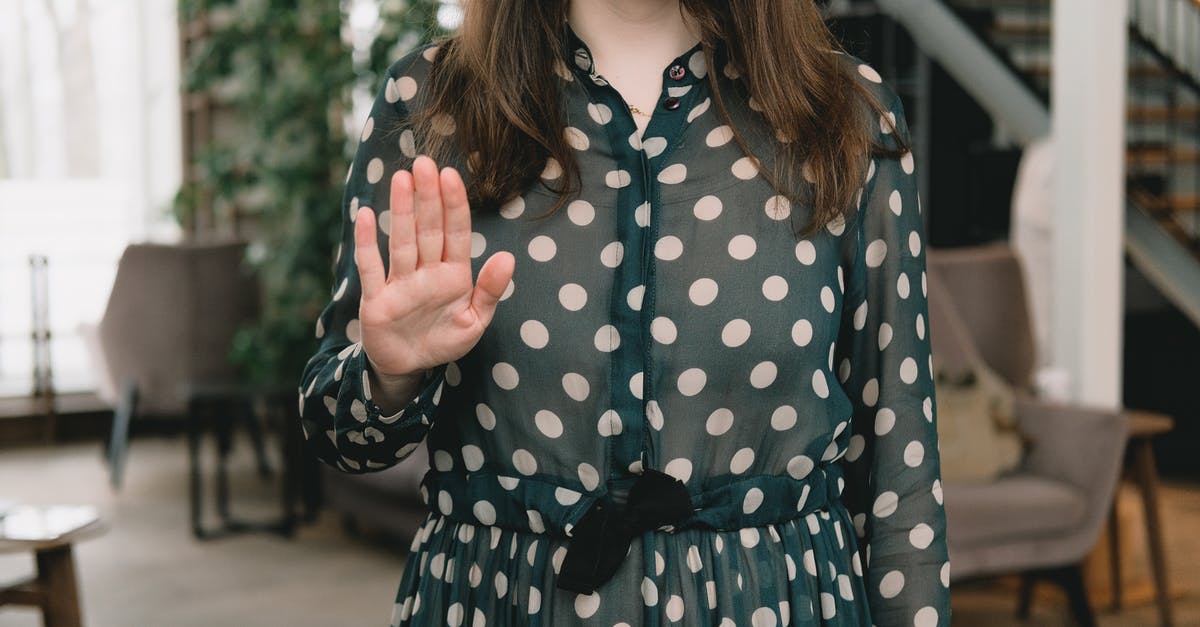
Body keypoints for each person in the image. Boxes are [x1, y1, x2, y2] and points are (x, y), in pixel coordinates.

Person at [298, 0, 951, 624]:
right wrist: (391, 376)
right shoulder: (433, 102)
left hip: (777, 601)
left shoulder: (846, 114)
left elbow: (903, 472)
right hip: (501, 601)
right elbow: (338, 433)